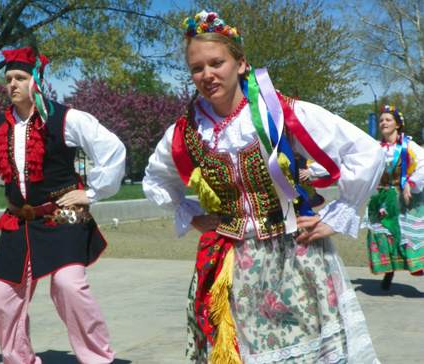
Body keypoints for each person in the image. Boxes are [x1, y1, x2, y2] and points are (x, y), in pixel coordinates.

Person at [143, 10, 384, 364]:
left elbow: (365, 151)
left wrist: (341, 212)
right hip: (228, 261)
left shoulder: (280, 112)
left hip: (294, 255)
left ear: (241, 64)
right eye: (197, 68)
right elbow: (156, 178)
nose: (207, 74)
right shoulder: (186, 131)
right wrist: (190, 214)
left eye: (217, 62)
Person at [0, 47, 125, 364]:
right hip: (18, 218)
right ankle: (18, 359)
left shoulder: (65, 118)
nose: (13, 84)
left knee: (69, 286)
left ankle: (98, 358)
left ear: (35, 81)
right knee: (2, 299)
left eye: (21, 78)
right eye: (9, 79)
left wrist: (92, 193)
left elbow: (111, 149)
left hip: (64, 213)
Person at [362, 105, 424, 291]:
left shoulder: (408, 145)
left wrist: (410, 184)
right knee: (383, 234)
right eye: (381, 120)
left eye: (388, 120)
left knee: (411, 235)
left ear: (397, 124)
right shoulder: (375, 147)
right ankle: (389, 271)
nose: (383, 123)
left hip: (406, 197)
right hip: (383, 197)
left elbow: (422, 164)